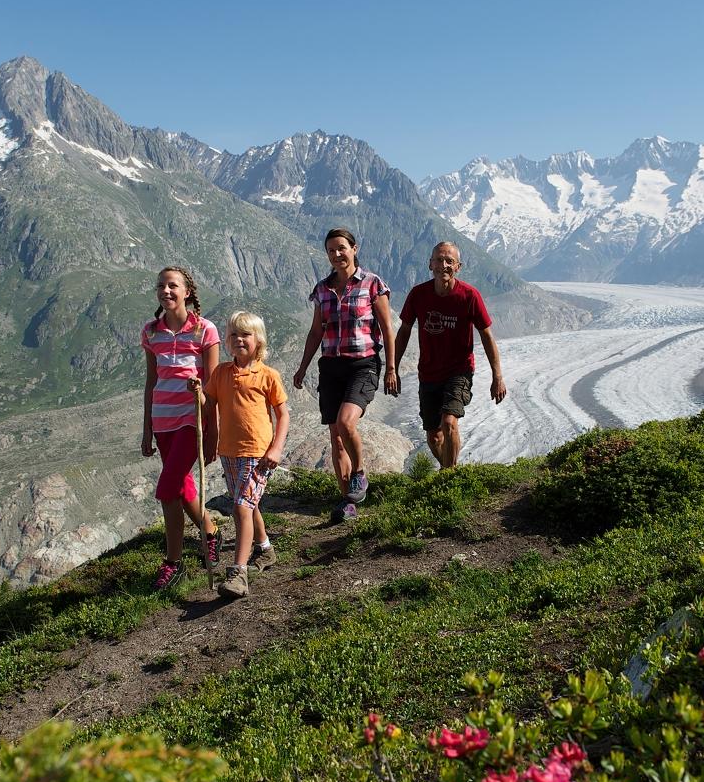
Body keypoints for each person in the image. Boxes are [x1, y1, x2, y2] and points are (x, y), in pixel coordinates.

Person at [292, 228, 398, 523]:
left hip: (362, 365)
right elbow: (316, 332)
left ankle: (359, 473)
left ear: (354, 248)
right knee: (336, 438)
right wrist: (302, 367)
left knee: (345, 421)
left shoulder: (372, 284)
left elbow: (387, 329)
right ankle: (348, 502)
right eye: (331, 250)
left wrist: (390, 368)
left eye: (341, 248)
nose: (336, 255)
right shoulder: (322, 289)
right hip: (330, 367)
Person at [195, 310, 290, 599]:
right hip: (229, 452)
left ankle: (239, 572)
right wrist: (197, 391)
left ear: (258, 340)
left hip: (258, 454)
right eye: (234, 334)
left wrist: (276, 448)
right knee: (248, 505)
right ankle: (265, 549)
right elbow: (207, 404)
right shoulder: (222, 373)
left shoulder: (268, 376)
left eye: (245, 334)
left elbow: (283, 414)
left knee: (241, 508)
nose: (239, 339)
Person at [140, 266, 222, 589]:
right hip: (163, 422)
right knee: (183, 486)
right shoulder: (151, 332)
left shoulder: (205, 330)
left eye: (172, 286)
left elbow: (213, 387)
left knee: (167, 489)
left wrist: (213, 431)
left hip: (193, 420)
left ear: (187, 291)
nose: (166, 291)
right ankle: (211, 532)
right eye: (161, 286)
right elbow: (151, 382)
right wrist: (146, 429)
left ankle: (173, 563)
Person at [391, 241, 507, 469]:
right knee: (434, 437)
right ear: (430, 264)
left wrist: (498, 376)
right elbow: (404, 332)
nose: (443, 265)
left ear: (458, 267)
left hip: (458, 370)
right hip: (428, 373)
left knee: (449, 422)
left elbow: (486, 335)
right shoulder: (418, 295)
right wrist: (392, 369)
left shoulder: (469, 296)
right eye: (439, 260)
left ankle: (449, 477)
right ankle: (449, 468)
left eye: (449, 261)